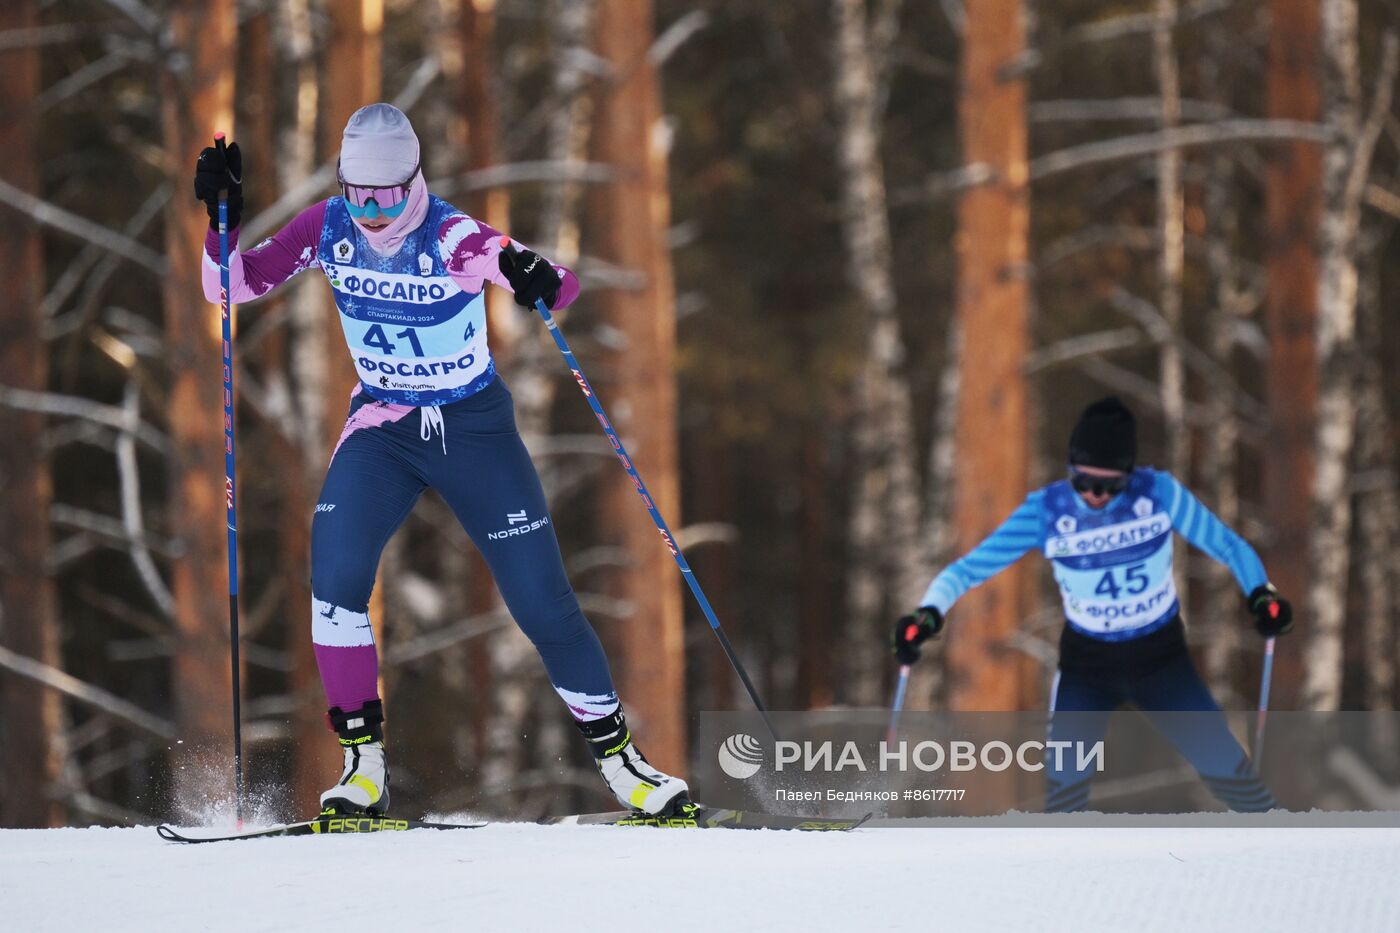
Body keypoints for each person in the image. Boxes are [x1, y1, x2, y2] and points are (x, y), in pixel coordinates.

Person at [193, 103, 688, 818]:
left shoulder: (448, 234)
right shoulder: (327, 227)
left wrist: (528, 272)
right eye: (356, 192)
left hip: (472, 430)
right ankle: (362, 766)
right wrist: (223, 222)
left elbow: (554, 283)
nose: (369, 211)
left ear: (414, 181)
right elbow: (227, 287)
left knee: (542, 602)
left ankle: (624, 764)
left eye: (385, 195)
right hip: (384, 429)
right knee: (333, 574)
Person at [892, 397, 1293, 813]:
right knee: (1064, 787)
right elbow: (967, 570)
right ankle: (1067, 873)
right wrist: (928, 614)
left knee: (1225, 767)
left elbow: (1227, 545)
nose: (1096, 496)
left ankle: (1278, 845)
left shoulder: (1158, 494)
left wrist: (1261, 593)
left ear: (1129, 474)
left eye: (1110, 486)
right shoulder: (1047, 512)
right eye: (1084, 483)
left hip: (1160, 657)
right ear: (1071, 471)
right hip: (1088, 666)